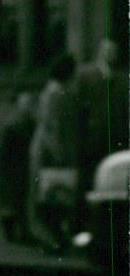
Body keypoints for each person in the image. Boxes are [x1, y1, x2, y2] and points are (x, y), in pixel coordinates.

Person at [73, 38, 129, 232]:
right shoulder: (86, 75)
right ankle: (82, 228)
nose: (111, 55)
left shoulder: (122, 78)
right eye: (107, 51)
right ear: (100, 52)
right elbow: (78, 108)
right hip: (91, 141)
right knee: (86, 184)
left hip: (114, 142)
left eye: (114, 52)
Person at [28, 53, 77, 251]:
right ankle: (52, 240)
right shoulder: (56, 93)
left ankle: (52, 239)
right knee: (51, 196)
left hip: (44, 148)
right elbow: (52, 126)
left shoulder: (53, 90)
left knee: (48, 197)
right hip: (47, 151)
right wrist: (59, 155)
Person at [0, 90, 36, 244]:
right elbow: (3, 153)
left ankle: (20, 232)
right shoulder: (13, 126)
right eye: (25, 104)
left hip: (20, 166)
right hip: (13, 167)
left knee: (18, 201)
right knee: (13, 201)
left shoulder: (25, 123)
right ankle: (16, 232)